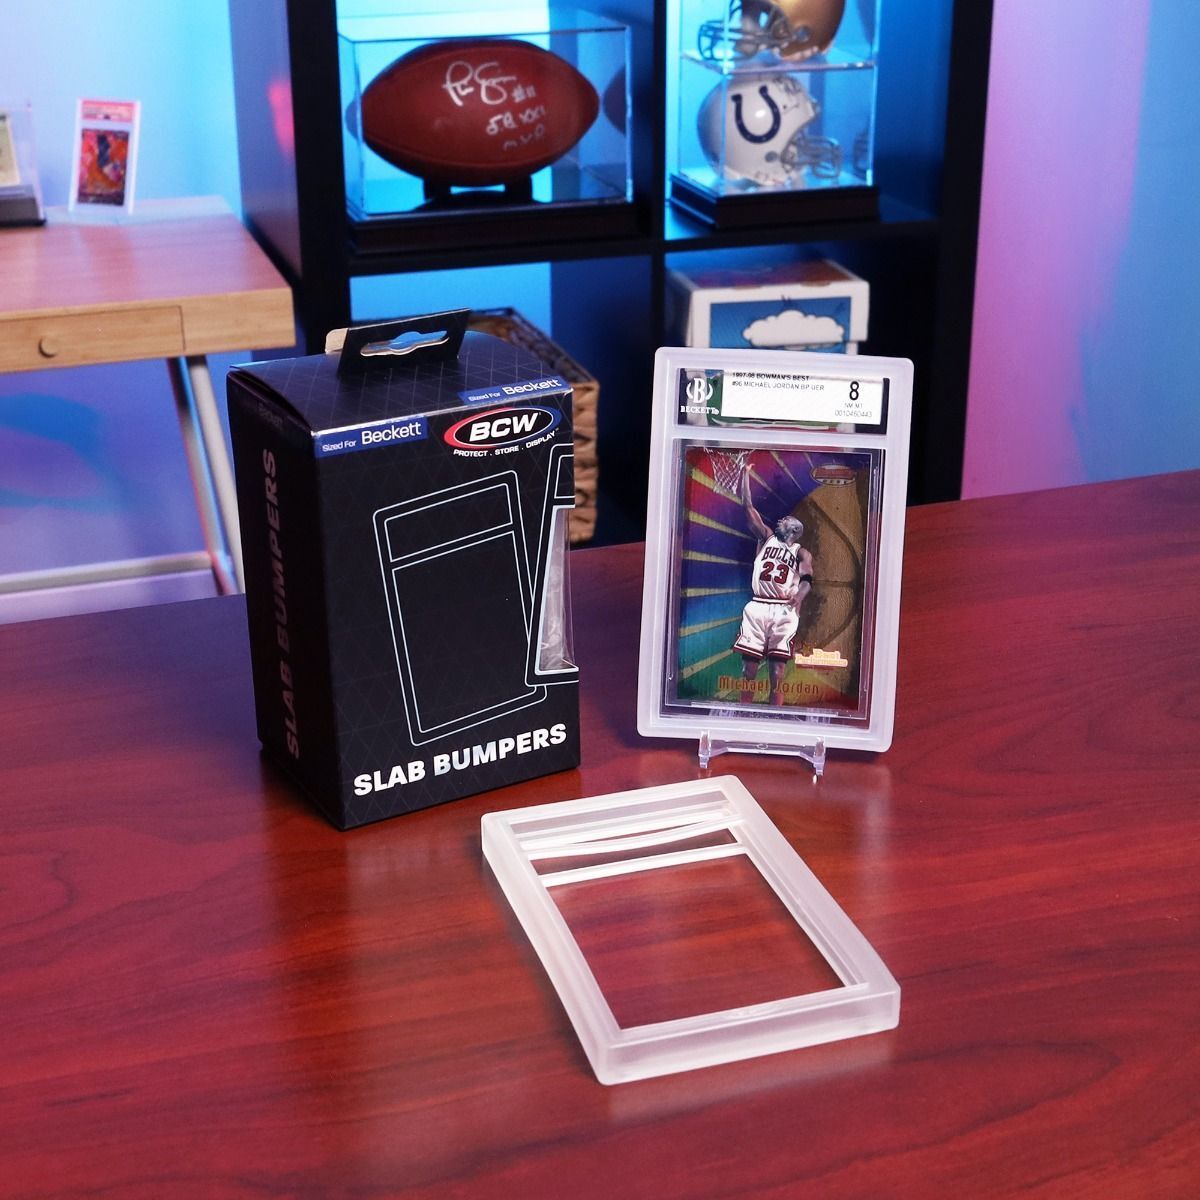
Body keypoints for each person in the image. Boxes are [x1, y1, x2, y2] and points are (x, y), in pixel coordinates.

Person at [733, 471, 813, 705]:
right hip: (758, 605)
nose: (780, 520)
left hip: (784, 609)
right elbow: (747, 507)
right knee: (748, 670)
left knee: (777, 673)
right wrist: (745, 476)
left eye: (785, 520)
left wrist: (800, 595)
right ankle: (743, 713)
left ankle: (775, 715)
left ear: (795, 530)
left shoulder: (801, 553)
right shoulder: (766, 537)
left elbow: (807, 579)